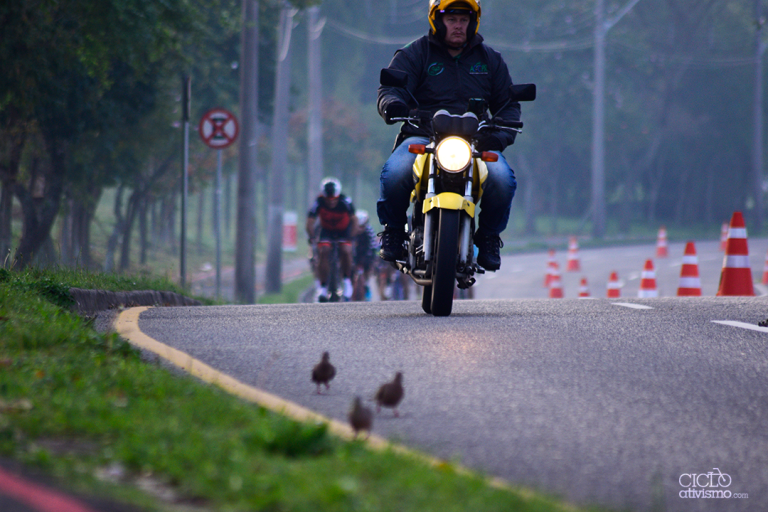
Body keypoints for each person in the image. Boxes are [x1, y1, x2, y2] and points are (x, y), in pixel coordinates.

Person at [376, 0, 521, 271]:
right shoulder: (415, 53)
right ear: (437, 21)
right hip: (423, 135)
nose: (458, 26)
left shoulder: (491, 60)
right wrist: (392, 104)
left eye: (464, 20)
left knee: (503, 179)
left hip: (477, 142)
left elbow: (509, 104)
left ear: (473, 22)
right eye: (452, 19)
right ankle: (393, 229)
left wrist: (499, 135)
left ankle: (489, 237)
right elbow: (389, 88)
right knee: (395, 171)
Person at [306, 178, 358, 301]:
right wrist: (312, 237)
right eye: (328, 200)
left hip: (344, 231)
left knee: (345, 250)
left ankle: (347, 282)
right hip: (327, 230)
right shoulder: (318, 202)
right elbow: (309, 222)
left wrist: (352, 236)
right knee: (323, 251)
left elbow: (355, 220)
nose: (331, 203)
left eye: (334, 200)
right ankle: (323, 287)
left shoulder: (345, 201)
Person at [352, 210, 377, 301]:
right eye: (358, 227)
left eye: (362, 227)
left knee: (369, 265)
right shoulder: (351, 231)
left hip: (366, 253)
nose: (360, 229)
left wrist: (370, 257)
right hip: (355, 254)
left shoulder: (369, 231)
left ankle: (366, 283)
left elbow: (373, 246)